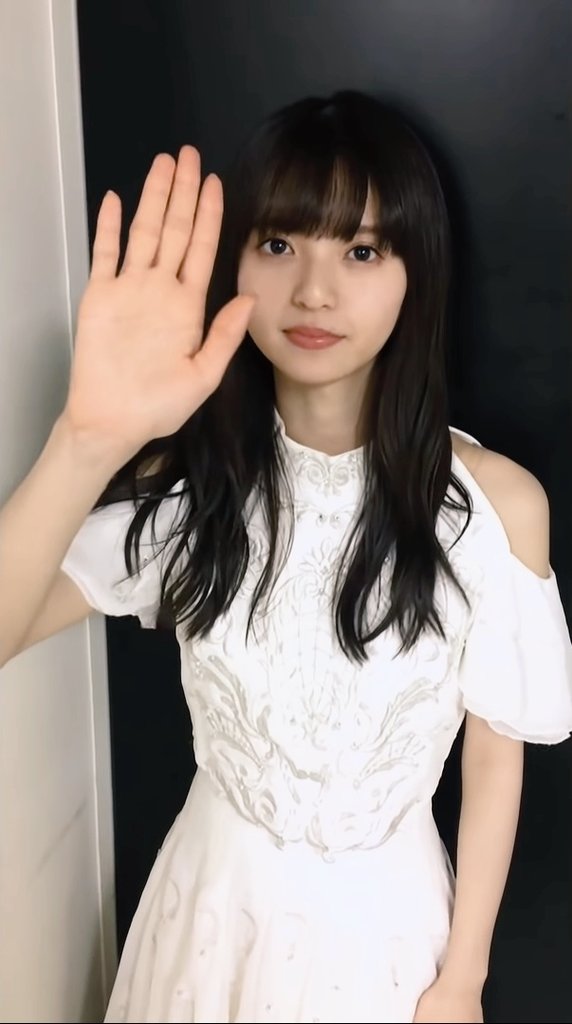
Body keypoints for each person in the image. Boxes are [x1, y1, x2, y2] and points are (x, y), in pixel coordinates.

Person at [1, 90, 571, 1024]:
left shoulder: (494, 509)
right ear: (235, 261)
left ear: (416, 273)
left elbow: (494, 757)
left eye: (361, 251)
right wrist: (86, 438)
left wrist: (462, 980)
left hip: (389, 947)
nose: (313, 291)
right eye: (278, 243)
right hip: (203, 926)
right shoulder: (192, 487)